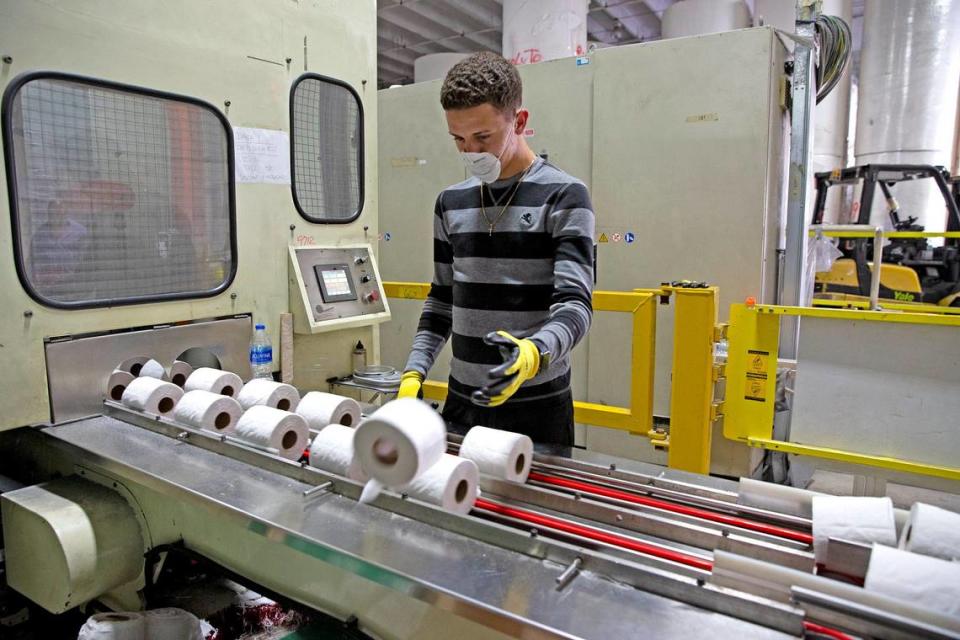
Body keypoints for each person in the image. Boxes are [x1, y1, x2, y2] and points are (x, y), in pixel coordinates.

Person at [397, 52, 595, 446]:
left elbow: (576, 306)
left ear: (519, 122)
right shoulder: (450, 202)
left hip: (537, 405)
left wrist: (533, 355)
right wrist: (413, 373)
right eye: (458, 139)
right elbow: (442, 299)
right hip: (461, 403)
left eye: (483, 137)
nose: (470, 152)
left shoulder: (564, 196)